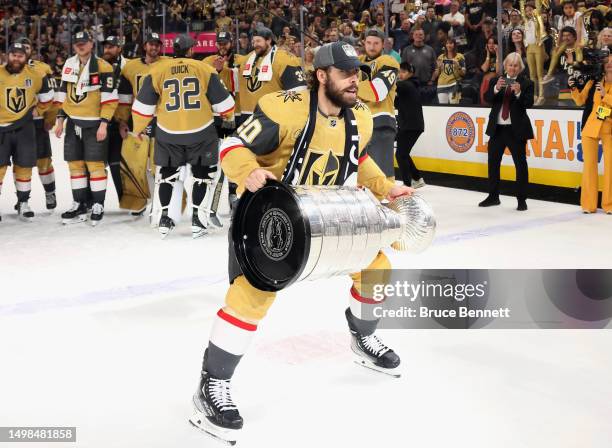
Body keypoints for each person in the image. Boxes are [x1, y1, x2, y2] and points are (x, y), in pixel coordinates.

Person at [190, 41, 414, 445]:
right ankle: (211, 386)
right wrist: (247, 173)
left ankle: (362, 337)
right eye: (346, 73)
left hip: (323, 215)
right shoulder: (283, 106)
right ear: (322, 75)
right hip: (269, 217)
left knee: (377, 268)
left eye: (358, 73)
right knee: (251, 296)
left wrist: (386, 186)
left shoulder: (361, 116)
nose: (355, 81)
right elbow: (232, 144)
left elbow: (357, 159)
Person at [131, 34, 235, 238]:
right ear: (190, 50)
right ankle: (198, 220)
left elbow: (142, 108)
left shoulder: (157, 70)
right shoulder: (204, 69)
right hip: (201, 131)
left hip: (168, 133)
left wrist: (138, 128)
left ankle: (165, 220)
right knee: (202, 177)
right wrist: (227, 116)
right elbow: (226, 106)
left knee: (167, 177)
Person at [54, 31, 118, 225]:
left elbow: (109, 100)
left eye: (84, 43)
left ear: (91, 44)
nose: (80, 46)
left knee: (95, 165)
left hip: (94, 124)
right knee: (75, 165)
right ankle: (79, 202)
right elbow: (63, 93)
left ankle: (98, 204)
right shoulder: (68, 64)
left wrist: (104, 124)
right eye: (77, 43)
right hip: (73, 122)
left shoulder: (104, 67)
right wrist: (59, 119)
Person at [0, 42, 54, 222]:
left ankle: (23, 203)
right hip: (1, 128)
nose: (16, 59)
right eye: (13, 55)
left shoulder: (36, 75)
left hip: (25, 127)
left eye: (20, 55)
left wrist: (39, 111)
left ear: (26, 57)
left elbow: (48, 97)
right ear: (8, 55)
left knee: (24, 167)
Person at [115, 33, 166, 215]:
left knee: (158, 164)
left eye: (157, 45)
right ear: (144, 46)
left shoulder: (166, 63)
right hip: (138, 120)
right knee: (136, 165)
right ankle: (140, 202)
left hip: (161, 120)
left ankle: (159, 202)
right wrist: (122, 121)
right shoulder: (131, 67)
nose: (154, 48)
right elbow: (125, 98)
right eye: (151, 44)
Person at [480, 52, 534, 211]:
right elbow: (487, 98)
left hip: (516, 130)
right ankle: (493, 196)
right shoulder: (497, 80)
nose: (512, 68)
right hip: (497, 129)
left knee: (521, 165)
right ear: (505, 66)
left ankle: (522, 200)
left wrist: (518, 92)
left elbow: (528, 104)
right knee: (493, 164)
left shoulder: (527, 83)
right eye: (510, 65)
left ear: (520, 68)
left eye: (516, 65)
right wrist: (496, 89)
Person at [14, 37, 58, 211]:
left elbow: (52, 97)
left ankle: (50, 192)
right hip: (16, 124)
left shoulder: (42, 68)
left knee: (44, 161)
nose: (24, 50)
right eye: (20, 47)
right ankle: (22, 198)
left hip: (38, 122)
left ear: (31, 49)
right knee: (19, 163)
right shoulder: (8, 69)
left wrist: (50, 119)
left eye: (27, 46)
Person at [203, 30, 241, 222]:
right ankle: (209, 206)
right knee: (217, 163)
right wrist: (217, 70)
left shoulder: (240, 60)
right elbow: (205, 86)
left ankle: (234, 198)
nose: (222, 46)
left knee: (235, 159)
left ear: (231, 42)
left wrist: (225, 70)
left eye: (225, 43)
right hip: (215, 119)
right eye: (219, 43)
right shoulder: (208, 62)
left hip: (237, 118)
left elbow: (241, 87)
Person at [569, 57, 612, 214]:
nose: (609, 66)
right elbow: (580, 100)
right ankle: (588, 205)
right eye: (607, 63)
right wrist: (573, 88)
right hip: (591, 128)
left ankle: (609, 205)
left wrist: (605, 96)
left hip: (609, 129)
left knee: (610, 167)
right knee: (589, 167)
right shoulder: (593, 82)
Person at [358, 29, 400, 181]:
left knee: (381, 175)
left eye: (376, 43)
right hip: (359, 123)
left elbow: (378, 91)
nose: (372, 46)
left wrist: (350, 85)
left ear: (383, 44)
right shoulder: (358, 60)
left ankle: (384, 201)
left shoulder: (388, 61)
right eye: (368, 42)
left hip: (380, 123)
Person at [102, 35, 129, 206]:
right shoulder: (97, 65)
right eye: (106, 46)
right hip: (101, 121)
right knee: (95, 163)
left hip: (121, 122)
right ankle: (94, 201)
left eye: (112, 47)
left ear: (120, 48)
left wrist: (124, 121)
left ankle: (125, 197)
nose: (107, 50)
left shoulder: (128, 67)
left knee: (117, 163)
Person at [395, 62, 426, 188]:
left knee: (400, 154)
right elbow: (398, 103)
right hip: (411, 125)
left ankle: (407, 184)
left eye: (404, 72)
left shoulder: (407, 85)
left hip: (410, 126)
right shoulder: (410, 86)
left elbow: (393, 86)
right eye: (399, 72)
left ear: (410, 73)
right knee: (404, 153)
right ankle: (417, 178)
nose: (400, 75)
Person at [401, 28, 438, 99]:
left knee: (427, 105)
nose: (418, 36)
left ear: (424, 36)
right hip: (411, 83)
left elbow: (436, 68)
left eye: (421, 34)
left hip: (427, 84)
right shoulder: (406, 50)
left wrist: (432, 80)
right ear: (413, 36)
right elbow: (403, 69)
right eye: (416, 34)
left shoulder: (430, 50)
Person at [436, 38, 466, 104]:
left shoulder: (460, 56)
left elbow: (463, 73)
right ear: (445, 45)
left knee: (454, 107)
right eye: (447, 43)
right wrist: (438, 67)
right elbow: (436, 74)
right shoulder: (440, 57)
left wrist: (458, 66)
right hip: (441, 85)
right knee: (443, 108)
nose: (449, 45)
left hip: (454, 85)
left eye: (451, 43)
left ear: (454, 45)